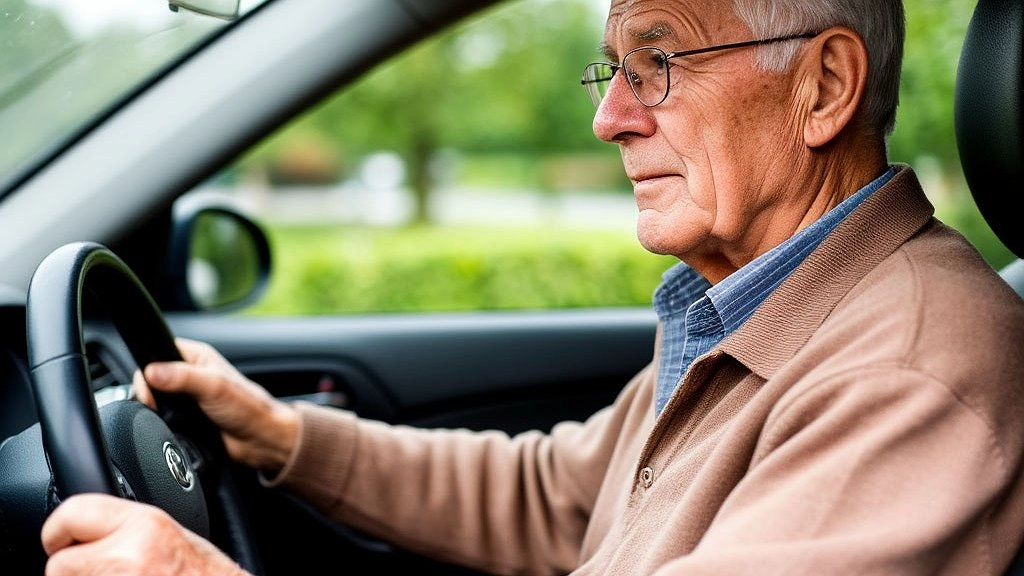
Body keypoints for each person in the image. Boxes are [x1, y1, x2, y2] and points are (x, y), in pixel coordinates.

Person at [39, 0, 1024, 573]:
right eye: (613, 73)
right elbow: (554, 496)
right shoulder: (762, 304)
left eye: (660, 61)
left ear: (823, 87)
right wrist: (282, 434)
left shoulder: (910, 370)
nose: (613, 119)